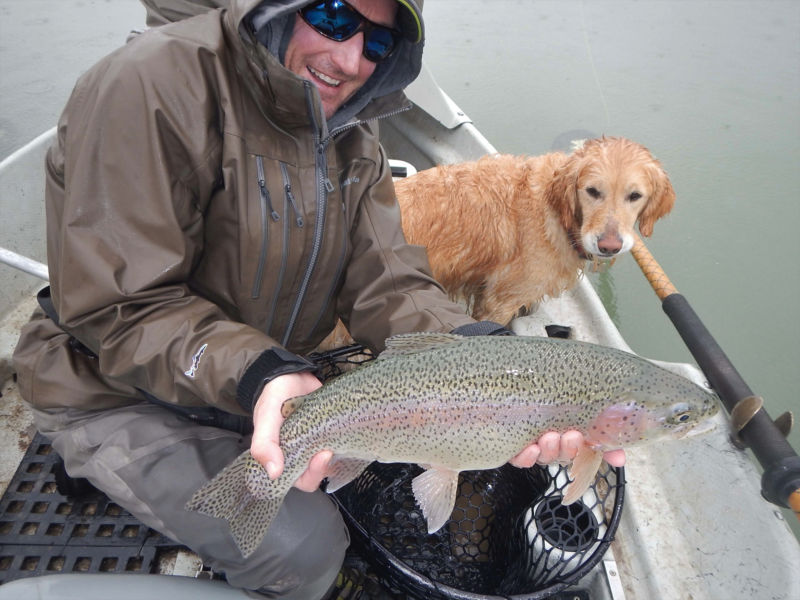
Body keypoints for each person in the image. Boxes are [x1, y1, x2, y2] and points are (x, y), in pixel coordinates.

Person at [13, 1, 624, 597]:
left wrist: (475, 348)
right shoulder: (147, 86)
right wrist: (258, 374)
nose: (352, 59)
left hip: (266, 384)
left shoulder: (350, 126)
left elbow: (385, 275)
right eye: (334, 16)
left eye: (379, 43)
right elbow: (119, 307)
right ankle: (93, 460)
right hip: (110, 388)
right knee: (305, 551)